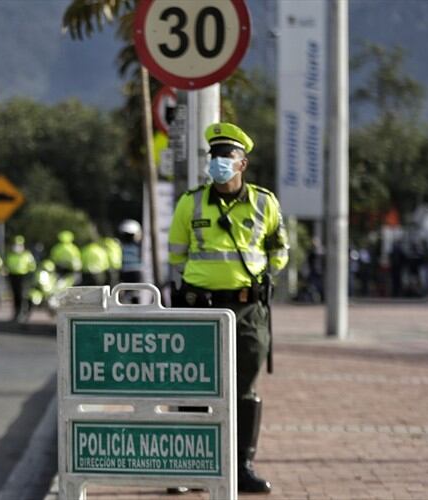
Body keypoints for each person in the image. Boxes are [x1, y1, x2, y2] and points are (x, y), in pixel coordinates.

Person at [168, 122, 289, 494]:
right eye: (214, 155)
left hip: (247, 308)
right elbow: (176, 253)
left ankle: (241, 468)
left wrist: (267, 274)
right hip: (200, 307)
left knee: (245, 389)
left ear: (243, 164)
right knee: (195, 388)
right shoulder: (191, 202)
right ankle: (192, 468)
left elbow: (279, 249)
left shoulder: (264, 203)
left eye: (227, 156)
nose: (219, 162)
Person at [5, 235, 36, 322]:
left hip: (24, 277)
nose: (17, 247)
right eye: (15, 244)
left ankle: (24, 313)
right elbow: (7, 265)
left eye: (19, 244)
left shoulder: (27, 255)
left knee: (24, 296)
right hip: (13, 277)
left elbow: (32, 267)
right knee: (16, 296)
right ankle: (16, 313)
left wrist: (29, 277)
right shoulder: (10, 255)